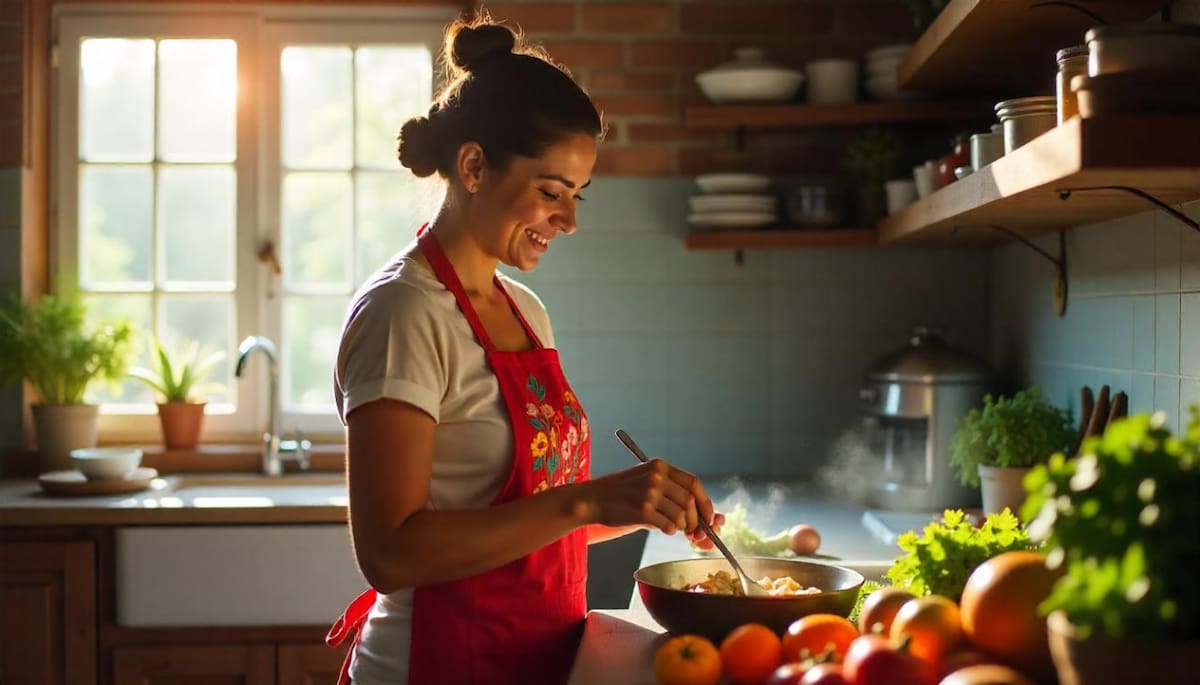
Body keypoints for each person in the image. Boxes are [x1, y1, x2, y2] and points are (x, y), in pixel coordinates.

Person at [325, 15, 723, 685]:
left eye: (576, 197)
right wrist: (590, 501)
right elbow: (390, 551)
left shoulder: (526, 310)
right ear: (474, 166)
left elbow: (529, 525)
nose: (568, 221)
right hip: (434, 666)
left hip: (537, 663)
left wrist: (640, 505)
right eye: (550, 192)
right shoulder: (402, 312)